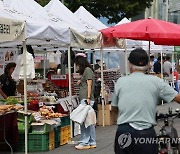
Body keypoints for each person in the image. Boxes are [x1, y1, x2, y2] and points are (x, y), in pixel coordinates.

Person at [112, 48, 180, 154]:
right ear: (148, 64)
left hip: (124, 132)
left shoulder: (120, 82)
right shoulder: (156, 81)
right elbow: (177, 98)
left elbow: (114, 108)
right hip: (145, 134)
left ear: (129, 64)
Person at [74, 54, 96, 150]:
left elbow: (89, 84)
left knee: (85, 122)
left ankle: (85, 142)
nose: (77, 66)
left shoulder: (87, 70)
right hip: (86, 99)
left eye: (77, 64)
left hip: (86, 99)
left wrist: (87, 97)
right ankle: (91, 141)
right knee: (88, 121)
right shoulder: (87, 71)